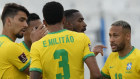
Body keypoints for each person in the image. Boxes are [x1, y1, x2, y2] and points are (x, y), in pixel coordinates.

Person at [30, 1, 101, 79]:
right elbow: (96, 75)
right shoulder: (82, 38)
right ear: (63, 20)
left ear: (44, 22)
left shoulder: (36, 46)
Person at [0, 3, 30, 79]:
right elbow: (37, 73)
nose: (26, 25)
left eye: (26, 21)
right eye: (21, 20)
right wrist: (37, 44)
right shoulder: (11, 47)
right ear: (9, 21)